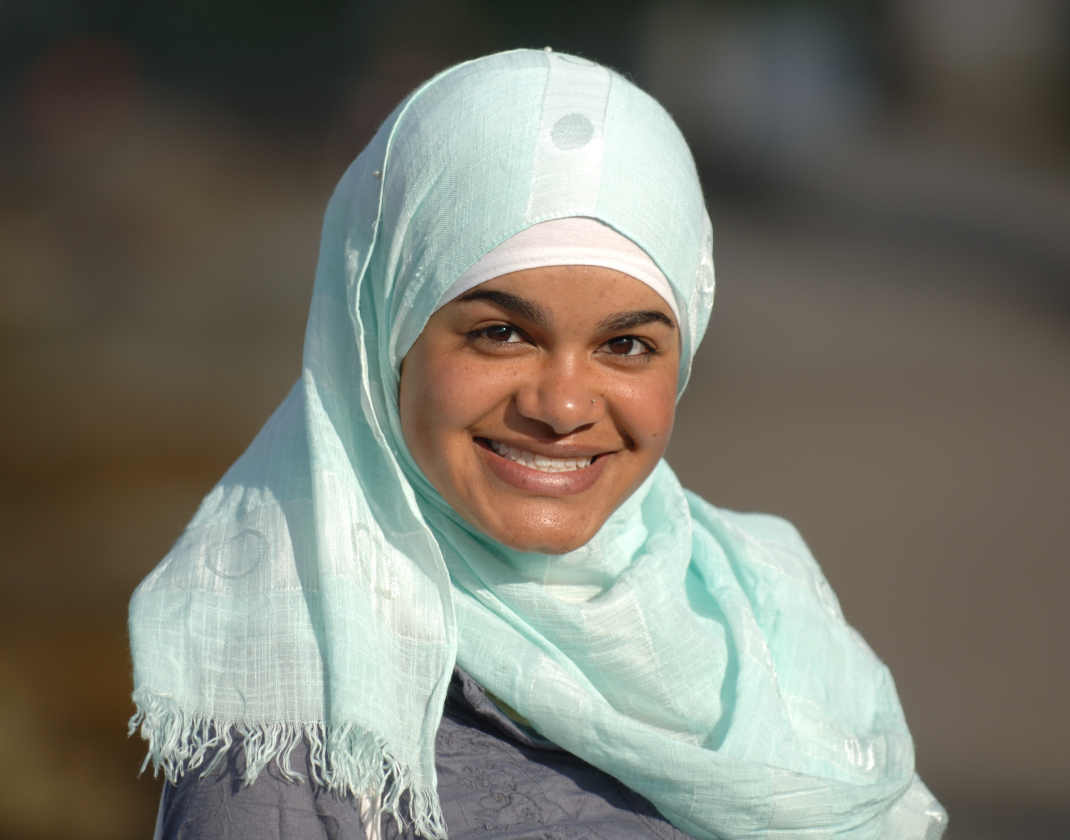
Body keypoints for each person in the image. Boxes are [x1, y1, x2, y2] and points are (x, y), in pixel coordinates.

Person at [128, 49, 948, 840]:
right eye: (500, 333)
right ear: (387, 338)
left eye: (626, 346)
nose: (561, 406)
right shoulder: (300, 717)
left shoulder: (763, 621)